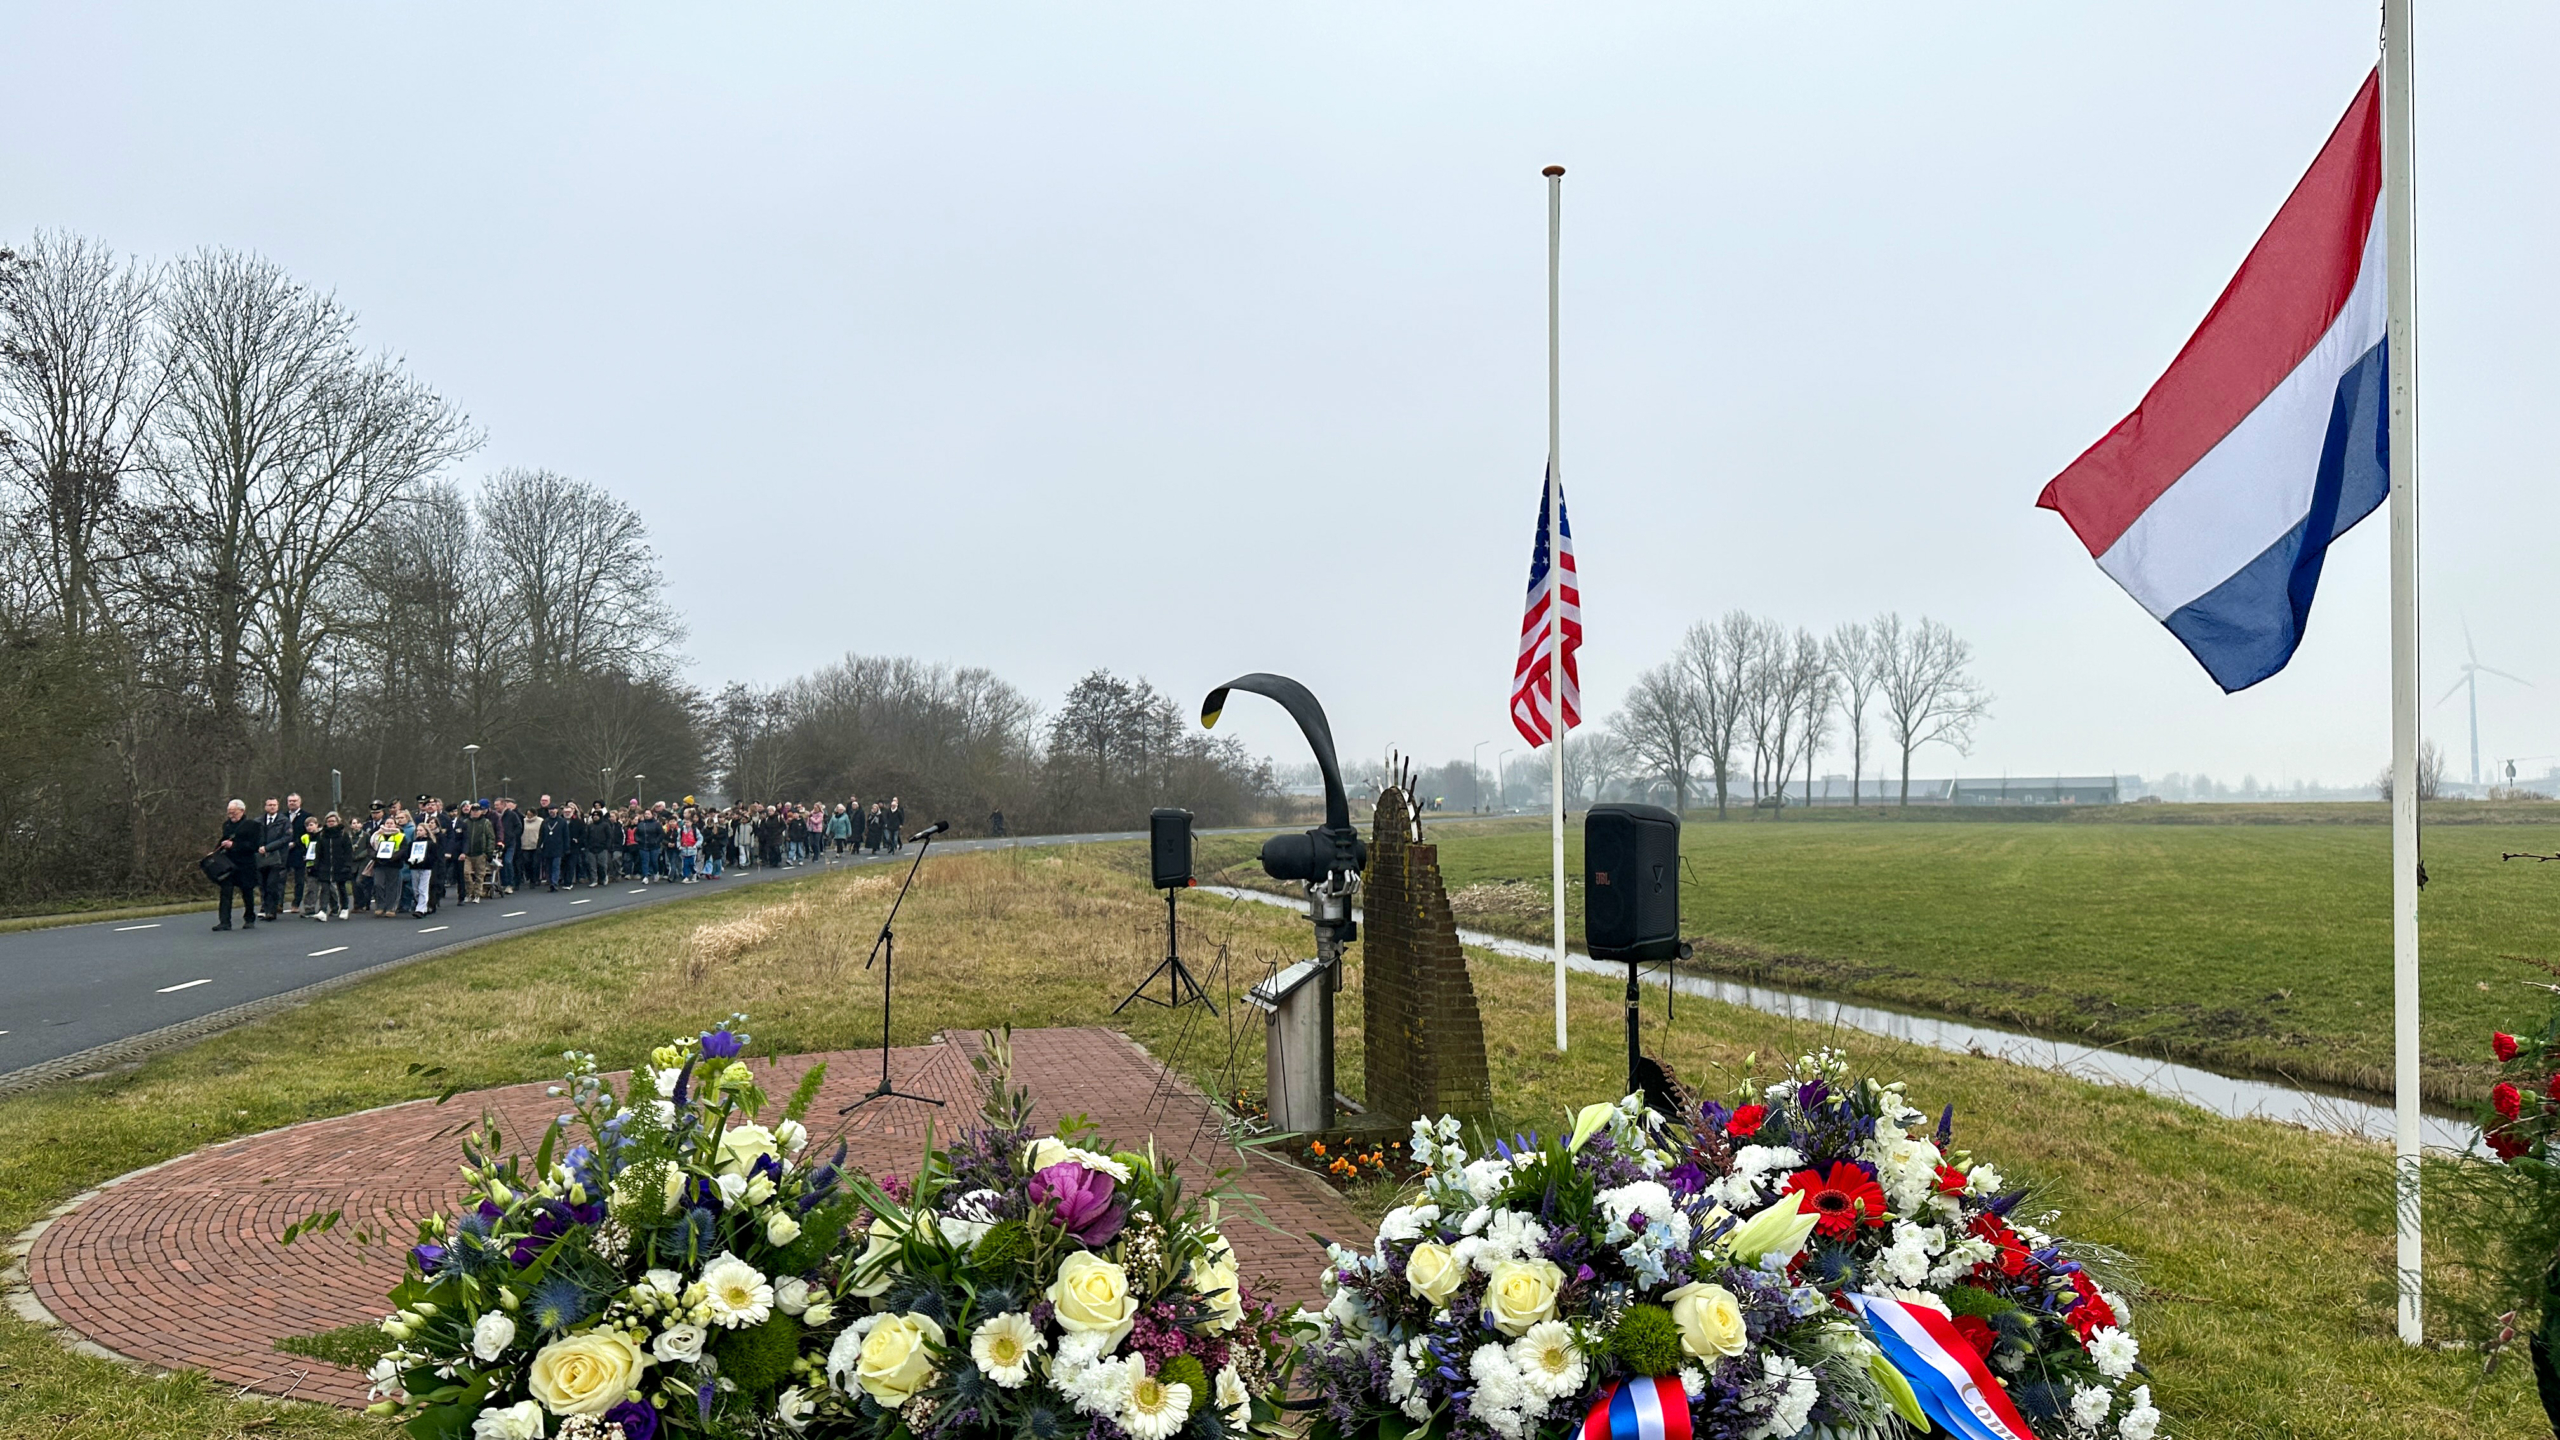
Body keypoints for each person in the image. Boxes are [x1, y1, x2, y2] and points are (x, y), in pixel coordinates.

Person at [212, 799, 263, 930]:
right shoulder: (227, 825)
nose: (231, 815)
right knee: (225, 892)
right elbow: (223, 840)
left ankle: (249, 918)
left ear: (242, 811)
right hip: (228, 864)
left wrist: (234, 845)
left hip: (245, 864)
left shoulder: (253, 825)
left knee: (247, 891)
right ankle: (224, 922)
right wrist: (214, 853)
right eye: (229, 813)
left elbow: (254, 846)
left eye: (233, 812)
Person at [256, 796, 291, 919]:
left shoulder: (284, 821)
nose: (272, 807)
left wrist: (269, 847)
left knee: (272, 884)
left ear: (278, 806)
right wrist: (260, 847)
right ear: (265, 807)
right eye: (269, 804)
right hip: (261, 857)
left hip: (277, 857)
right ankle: (265, 907)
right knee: (263, 884)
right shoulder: (258, 821)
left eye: (274, 805)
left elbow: (286, 838)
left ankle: (272, 910)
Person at [315, 811, 354, 919]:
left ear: (338, 822)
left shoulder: (343, 835)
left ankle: (345, 908)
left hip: (340, 866)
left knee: (341, 887)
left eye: (333, 821)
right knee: (325, 889)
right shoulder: (322, 835)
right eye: (328, 821)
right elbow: (318, 852)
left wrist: (347, 865)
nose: (331, 823)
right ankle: (322, 910)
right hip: (325, 866)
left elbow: (348, 851)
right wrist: (316, 865)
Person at [282, 791, 311, 912]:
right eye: (290, 801)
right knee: (280, 878)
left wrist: (296, 843)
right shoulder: (282, 816)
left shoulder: (306, 816)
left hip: (299, 851)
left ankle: (296, 903)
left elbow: (309, 833)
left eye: (295, 801)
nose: (292, 803)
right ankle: (278, 903)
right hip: (284, 852)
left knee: (299, 880)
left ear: (300, 802)